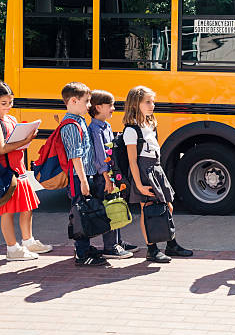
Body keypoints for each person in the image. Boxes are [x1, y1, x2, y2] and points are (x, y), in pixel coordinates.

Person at [123, 86, 193, 263]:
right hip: (144, 173)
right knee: (148, 210)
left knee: (168, 206)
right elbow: (132, 161)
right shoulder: (131, 130)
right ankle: (151, 249)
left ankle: (171, 243)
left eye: (152, 101)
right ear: (135, 104)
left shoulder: (151, 124)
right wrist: (139, 185)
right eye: (147, 102)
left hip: (156, 169)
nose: (152, 105)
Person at [0, 82, 52, 261]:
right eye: (4, 103)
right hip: (6, 173)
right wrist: (24, 141)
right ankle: (12, 248)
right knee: (7, 211)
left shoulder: (11, 120)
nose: (8, 106)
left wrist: (27, 137)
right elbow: (2, 149)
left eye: (10, 102)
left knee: (26, 207)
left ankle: (28, 241)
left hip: (18, 169)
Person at [60, 82, 108, 266]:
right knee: (80, 213)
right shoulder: (71, 125)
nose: (89, 105)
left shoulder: (79, 120)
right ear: (73, 101)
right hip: (78, 177)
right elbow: (75, 155)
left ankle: (85, 247)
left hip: (84, 175)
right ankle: (82, 254)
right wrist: (83, 181)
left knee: (85, 211)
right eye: (86, 101)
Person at [88, 90, 139, 259]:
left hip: (111, 174)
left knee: (116, 205)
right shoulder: (95, 129)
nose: (113, 109)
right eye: (110, 105)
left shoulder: (106, 126)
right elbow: (100, 156)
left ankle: (118, 241)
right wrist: (107, 178)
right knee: (109, 209)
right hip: (104, 177)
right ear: (98, 107)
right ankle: (110, 246)